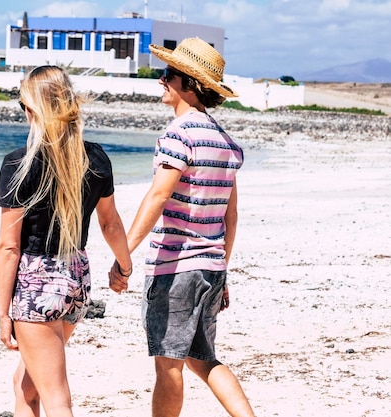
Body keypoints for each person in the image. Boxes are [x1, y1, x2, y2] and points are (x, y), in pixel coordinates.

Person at [109, 38, 256, 417]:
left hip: (176, 269)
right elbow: (230, 215)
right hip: (210, 266)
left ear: (189, 84)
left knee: (169, 363)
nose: (161, 80)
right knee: (203, 358)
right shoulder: (225, 142)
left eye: (168, 75)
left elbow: (158, 198)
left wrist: (122, 258)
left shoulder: (178, 135)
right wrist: (221, 267)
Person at [0, 65, 132, 417]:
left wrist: (2, 313)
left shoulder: (20, 164)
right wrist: (124, 266)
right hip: (75, 278)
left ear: (32, 109)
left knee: (56, 398)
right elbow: (110, 223)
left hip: (36, 282)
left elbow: (9, 247)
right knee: (26, 385)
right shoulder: (96, 157)